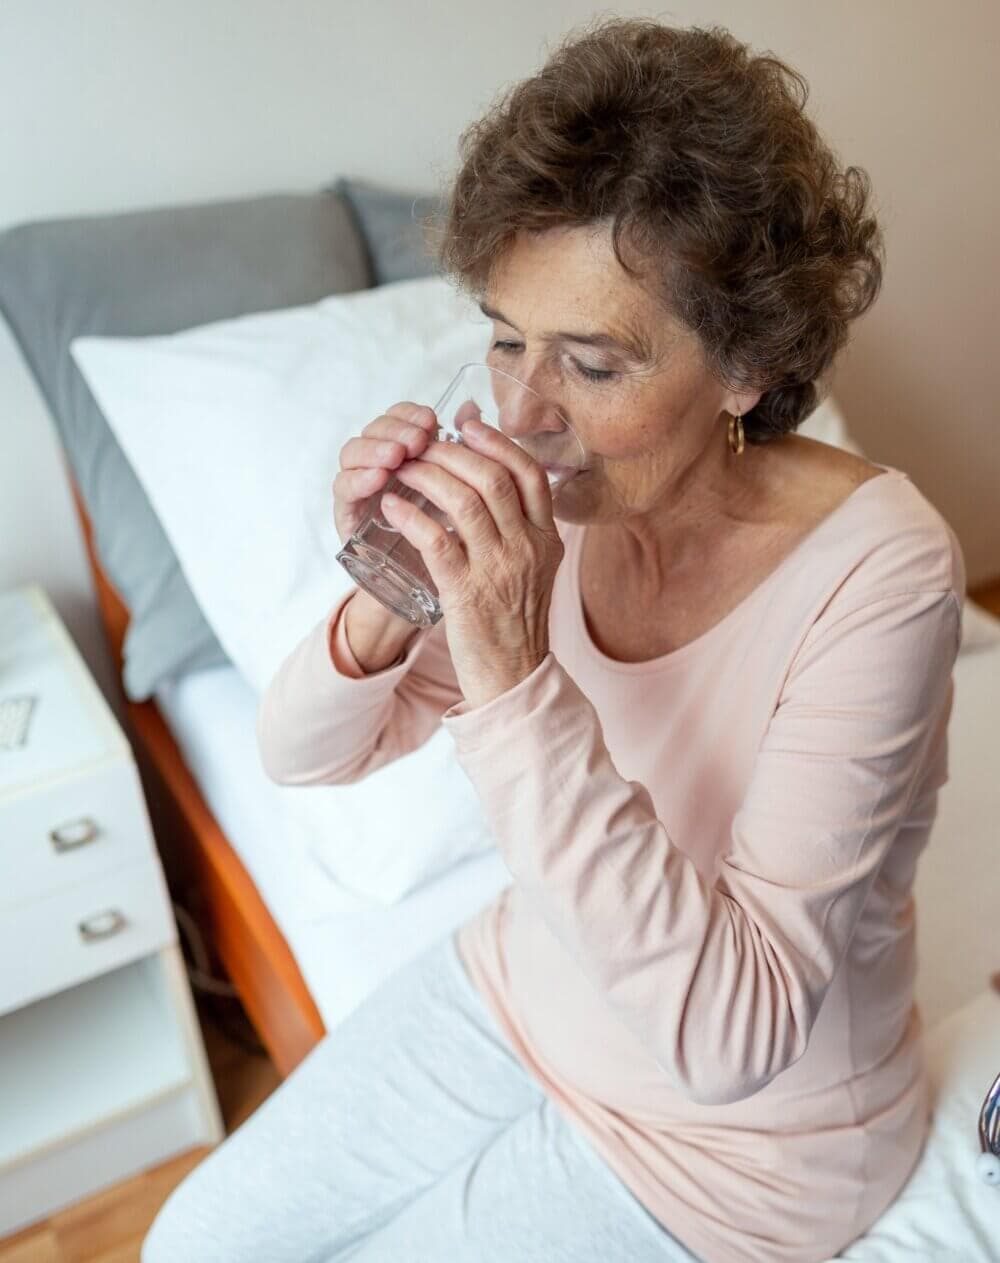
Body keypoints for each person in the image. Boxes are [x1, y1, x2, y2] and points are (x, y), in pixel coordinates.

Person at [142, 17, 965, 1263]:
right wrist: (390, 587)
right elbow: (303, 755)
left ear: (746, 364)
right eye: (506, 340)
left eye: (589, 363)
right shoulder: (558, 509)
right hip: (526, 989)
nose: (523, 413)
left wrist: (513, 669)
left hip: (735, 1155)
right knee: (190, 1242)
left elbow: (728, 1037)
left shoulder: (884, 568)